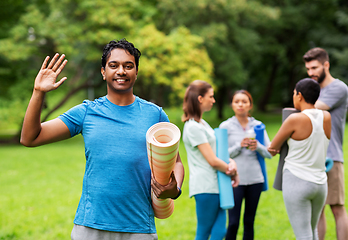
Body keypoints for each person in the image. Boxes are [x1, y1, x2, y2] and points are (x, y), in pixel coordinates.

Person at [20, 39, 184, 240]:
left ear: (136, 72)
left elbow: (176, 162)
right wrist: (38, 92)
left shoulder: (154, 115)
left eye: (128, 66)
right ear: (103, 72)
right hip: (90, 227)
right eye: (113, 65)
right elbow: (30, 137)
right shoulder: (86, 112)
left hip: (139, 227)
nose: (121, 71)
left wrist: (174, 190)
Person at [268, 78, 332, 240]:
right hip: (320, 183)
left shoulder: (295, 119)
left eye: (294, 93)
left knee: (303, 235)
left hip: (297, 181)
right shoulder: (327, 117)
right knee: (313, 232)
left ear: (300, 96)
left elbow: (273, 149)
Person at [181, 80, 239, 240]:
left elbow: (218, 153)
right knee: (204, 232)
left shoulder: (203, 124)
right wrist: (232, 170)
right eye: (211, 97)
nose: (214, 100)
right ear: (200, 99)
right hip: (205, 186)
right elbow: (212, 160)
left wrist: (231, 163)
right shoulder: (193, 127)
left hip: (217, 184)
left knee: (220, 232)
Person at [303, 47, 348, 240]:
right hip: (313, 157)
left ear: (326, 65)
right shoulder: (314, 89)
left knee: (337, 208)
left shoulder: (338, 88)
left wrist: (300, 100)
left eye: (314, 67)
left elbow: (311, 109)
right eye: (308, 69)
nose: (311, 73)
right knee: (318, 210)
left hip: (332, 156)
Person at [219, 90, 272, 240]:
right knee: (233, 223)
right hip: (235, 180)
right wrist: (239, 146)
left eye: (244, 101)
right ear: (232, 105)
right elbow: (221, 156)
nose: (240, 105)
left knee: (249, 221)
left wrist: (258, 146)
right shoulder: (225, 126)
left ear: (250, 105)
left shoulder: (258, 126)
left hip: (255, 179)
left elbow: (269, 153)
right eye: (237, 102)